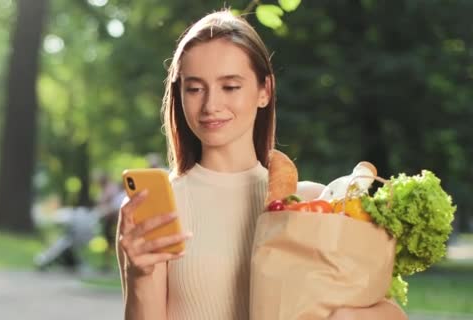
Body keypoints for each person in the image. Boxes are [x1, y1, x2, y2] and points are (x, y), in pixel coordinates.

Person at [116, 10, 408, 320]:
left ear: (264, 91)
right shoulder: (154, 210)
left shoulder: (313, 203)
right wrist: (140, 276)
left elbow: (386, 310)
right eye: (195, 88)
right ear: (179, 93)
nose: (211, 105)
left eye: (230, 86)